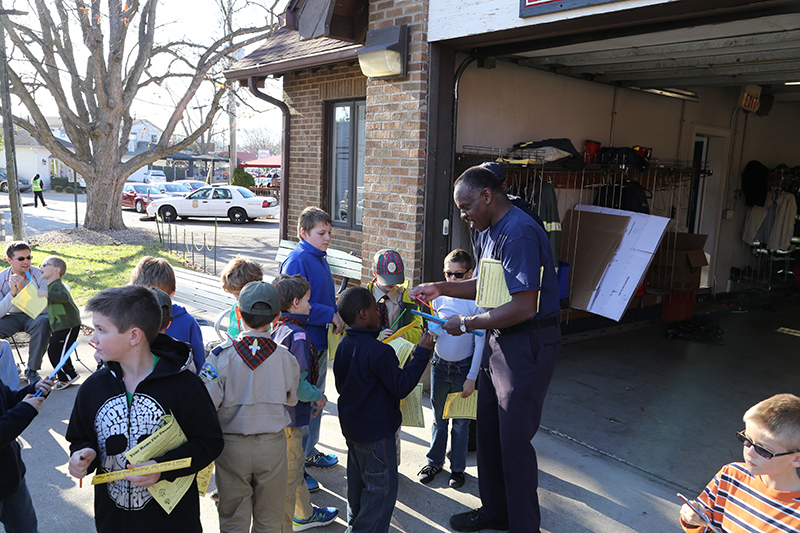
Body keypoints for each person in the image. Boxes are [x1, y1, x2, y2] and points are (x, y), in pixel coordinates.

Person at [411, 164, 562, 533]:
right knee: (492, 434)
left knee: (514, 443)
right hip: (500, 339)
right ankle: (495, 511)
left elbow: (524, 305)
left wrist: (465, 324)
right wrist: (441, 287)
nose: (462, 214)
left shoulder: (520, 233)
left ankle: (524, 525)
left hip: (526, 343)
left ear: (487, 196)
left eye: (465, 207)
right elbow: (487, 285)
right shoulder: (487, 230)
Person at [66, 285, 223, 533]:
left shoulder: (185, 386)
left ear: (134, 336)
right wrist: (82, 455)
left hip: (174, 523)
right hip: (112, 521)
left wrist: (163, 467)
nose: (92, 339)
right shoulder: (93, 388)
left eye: (100, 330)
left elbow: (210, 442)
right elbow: (80, 437)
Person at [333, 287, 433, 533]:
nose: (380, 314)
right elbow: (400, 386)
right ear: (364, 314)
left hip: (353, 429)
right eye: (375, 309)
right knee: (381, 493)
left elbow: (341, 384)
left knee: (357, 485)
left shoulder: (344, 345)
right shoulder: (380, 351)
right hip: (378, 434)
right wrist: (422, 353)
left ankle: (353, 525)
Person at [202, 281, 300, 533]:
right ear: (278, 316)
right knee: (270, 520)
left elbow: (207, 403)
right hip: (272, 446)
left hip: (232, 448)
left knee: (234, 519)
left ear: (237, 312)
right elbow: (291, 399)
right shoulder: (285, 357)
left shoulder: (220, 356)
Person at [279, 207, 345, 484]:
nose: (328, 237)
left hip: (319, 342)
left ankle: (309, 452)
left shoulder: (318, 256)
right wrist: (329, 313)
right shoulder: (297, 259)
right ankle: (297, 466)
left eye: (329, 232)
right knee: (304, 403)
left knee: (316, 400)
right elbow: (289, 303)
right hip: (304, 346)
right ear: (303, 233)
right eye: (322, 233)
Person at [271, 274, 338, 532]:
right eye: (308, 301)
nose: (311, 307)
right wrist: (318, 397)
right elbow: (297, 385)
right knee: (292, 471)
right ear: (296, 302)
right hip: (290, 419)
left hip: (278, 416)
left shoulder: (278, 327)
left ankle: (300, 513)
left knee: (289, 468)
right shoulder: (298, 336)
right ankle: (294, 520)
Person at [680, 393, 800, 532]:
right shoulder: (731, 475)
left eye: (763, 450)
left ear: (797, 458)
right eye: (747, 440)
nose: (749, 452)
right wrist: (693, 518)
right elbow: (703, 526)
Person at [417, 249, 485, 490]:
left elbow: (480, 341)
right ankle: (434, 462)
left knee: (461, 423)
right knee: (438, 418)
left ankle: (458, 468)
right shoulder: (439, 298)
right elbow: (437, 331)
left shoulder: (475, 301)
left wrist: (471, 377)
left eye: (459, 275)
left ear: (470, 274)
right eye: (448, 274)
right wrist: (432, 331)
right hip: (439, 364)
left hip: (463, 368)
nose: (453, 280)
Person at [128, 256, 205, 373]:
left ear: (171, 294)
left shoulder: (187, 323)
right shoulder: (127, 319)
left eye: (157, 296)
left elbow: (199, 364)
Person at [0, 371, 53, 533]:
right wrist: (24, 410)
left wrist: (33, 390)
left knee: (27, 528)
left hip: (10, 474)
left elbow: (7, 400)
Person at [0, 242, 51, 384]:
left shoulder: (40, 275)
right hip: (11, 317)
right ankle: (8, 367)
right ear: (9, 260)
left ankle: (32, 371)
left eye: (29, 257)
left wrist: (23, 290)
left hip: (35, 317)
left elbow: (42, 309)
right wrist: (12, 293)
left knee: (44, 321)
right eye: (21, 259)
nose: (26, 262)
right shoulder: (1, 278)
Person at [37, 256, 81, 390]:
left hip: (68, 325)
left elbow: (64, 297)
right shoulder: (51, 285)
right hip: (61, 326)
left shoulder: (57, 286)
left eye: (45, 264)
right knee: (60, 351)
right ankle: (69, 374)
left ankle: (67, 376)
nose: (41, 267)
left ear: (57, 270)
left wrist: (47, 294)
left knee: (55, 351)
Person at [367, 249, 423, 344]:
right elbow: (353, 331)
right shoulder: (363, 299)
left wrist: (406, 336)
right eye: (387, 279)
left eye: (395, 278)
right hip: (370, 355)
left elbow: (418, 329)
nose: (392, 283)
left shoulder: (407, 300)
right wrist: (377, 338)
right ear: (374, 273)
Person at [220, 255, 264, 339]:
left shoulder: (264, 312)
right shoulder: (235, 308)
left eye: (239, 294)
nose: (237, 299)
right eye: (234, 294)